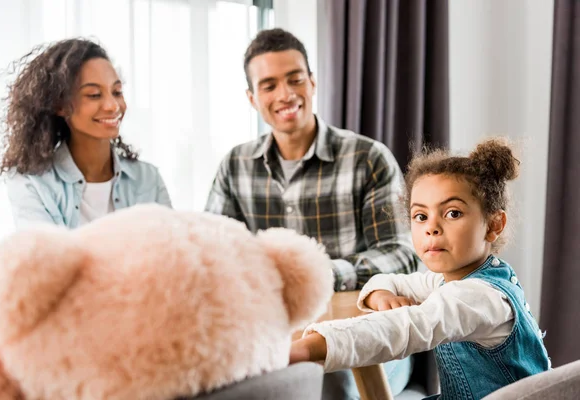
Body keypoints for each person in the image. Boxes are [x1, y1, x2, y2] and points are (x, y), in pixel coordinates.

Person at [205, 28, 418, 399]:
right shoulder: (235, 166)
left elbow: (401, 253)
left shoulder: (368, 158)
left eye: (295, 79)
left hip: (368, 340)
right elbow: (212, 256)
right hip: (275, 333)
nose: (285, 94)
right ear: (252, 98)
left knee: (331, 385)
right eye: (269, 85)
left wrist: (318, 273)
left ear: (312, 82)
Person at [290, 138, 551, 399]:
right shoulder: (446, 279)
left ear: (494, 225)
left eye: (453, 213)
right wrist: (380, 295)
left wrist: (305, 349)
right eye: (421, 216)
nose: (431, 227)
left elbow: (405, 328)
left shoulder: (481, 297)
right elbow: (389, 280)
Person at [0, 38, 171, 229]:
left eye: (117, 92)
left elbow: (174, 252)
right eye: (94, 95)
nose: (112, 106)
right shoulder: (32, 184)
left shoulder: (148, 179)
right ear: (59, 105)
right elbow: (46, 257)